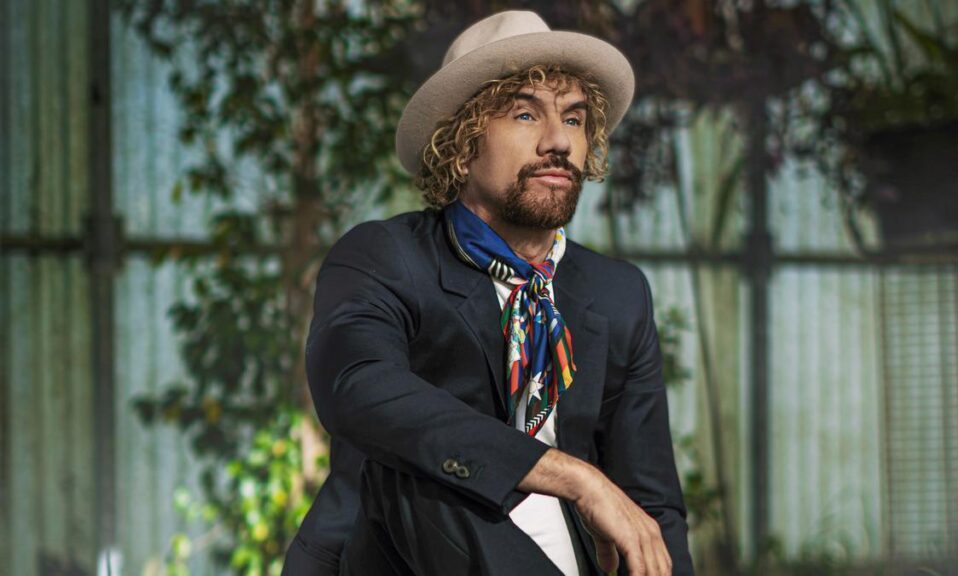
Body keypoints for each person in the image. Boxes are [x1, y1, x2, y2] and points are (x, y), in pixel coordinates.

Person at [283, 10, 696, 576]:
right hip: (403, 558)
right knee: (424, 460)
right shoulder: (385, 256)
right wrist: (574, 477)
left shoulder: (616, 293)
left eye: (574, 119)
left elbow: (652, 503)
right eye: (525, 114)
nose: (559, 141)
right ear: (461, 141)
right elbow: (358, 388)